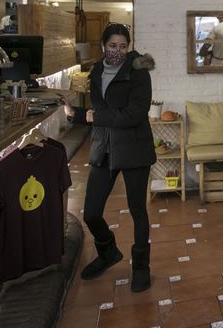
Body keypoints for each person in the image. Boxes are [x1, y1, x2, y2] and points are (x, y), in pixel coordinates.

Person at [63, 23, 157, 292]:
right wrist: (75, 114)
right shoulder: (97, 71)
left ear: (128, 47)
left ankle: (141, 267)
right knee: (91, 212)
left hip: (135, 148)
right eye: (113, 46)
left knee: (137, 210)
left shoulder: (139, 72)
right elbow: (96, 113)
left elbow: (135, 114)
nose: (117, 51)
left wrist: (95, 116)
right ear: (103, 45)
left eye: (123, 46)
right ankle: (108, 253)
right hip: (104, 147)